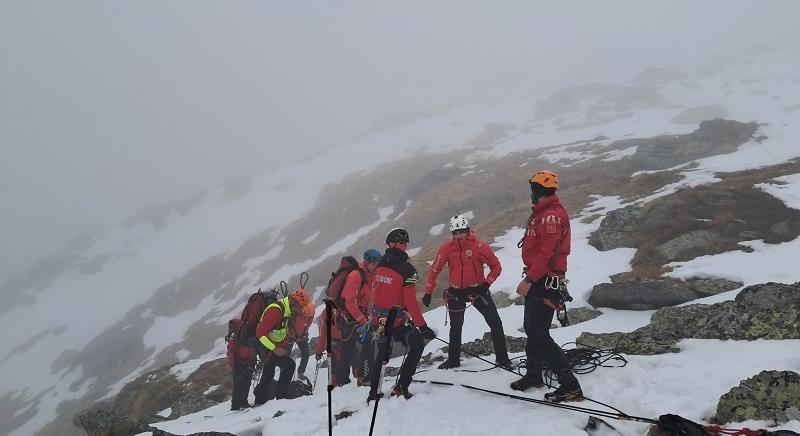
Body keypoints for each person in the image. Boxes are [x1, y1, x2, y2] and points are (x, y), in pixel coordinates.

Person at [512, 170, 583, 403]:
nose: (531, 194)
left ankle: (570, 385)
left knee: (539, 333)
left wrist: (529, 280)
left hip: (544, 280)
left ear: (540, 191)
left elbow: (549, 254)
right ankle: (534, 375)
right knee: (531, 328)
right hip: (541, 279)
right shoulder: (543, 214)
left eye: (534, 189)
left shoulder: (551, 216)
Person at [423, 214, 511, 370]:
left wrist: (486, 284)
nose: (458, 236)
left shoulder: (479, 247)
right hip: (456, 292)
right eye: (455, 233)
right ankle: (453, 361)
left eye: (461, 231)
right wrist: (428, 292)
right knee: (455, 327)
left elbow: (496, 267)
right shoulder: (447, 248)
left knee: (495, 323)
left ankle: (503, 359)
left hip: (477, 290)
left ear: (467, 230)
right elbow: (434, 270)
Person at [368, 228, 436, 401]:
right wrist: (422, 326)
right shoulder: (408, 270)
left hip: (379, 320)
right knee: (417, 344)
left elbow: (378, 291)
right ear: (403, 246)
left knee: (381, 354)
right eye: (404, 243)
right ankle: (401, 387)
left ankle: (373, 393)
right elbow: (410, 300)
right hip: (397, 321)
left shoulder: (380, 264)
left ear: (390, 244)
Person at [314, 250, 379, 386]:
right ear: (367, 262)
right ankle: (365, 377)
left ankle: (342, 381)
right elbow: (350, 301)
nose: (376, 266)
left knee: (347, 348)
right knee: (368, 342)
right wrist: (362, 319)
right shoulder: (356, 276)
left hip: (349, 319)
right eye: (374, 263)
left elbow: (366, 300)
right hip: (350, 318)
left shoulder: (368, 276)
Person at [252, 289, 314, 405]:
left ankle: (259, 401)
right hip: (265, 346)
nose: (300, 310)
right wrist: (275, 349)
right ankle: (280, 398)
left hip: (271, 346)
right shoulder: (276, 310)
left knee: (268, 373)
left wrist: (283, 346)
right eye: (299, 307)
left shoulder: (287, 311)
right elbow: (260, 333)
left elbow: (281, 332)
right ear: (293, 302)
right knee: (289, 365)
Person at [226, 318, 256, 410]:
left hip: (239, 363)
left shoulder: (234, 336)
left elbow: (230, 351)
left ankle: (236, 404)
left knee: (239, 384)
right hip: (246, 362)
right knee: (245, 383)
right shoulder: (240, 335)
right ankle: (241, 403)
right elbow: (231, 351)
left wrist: (231, 365)